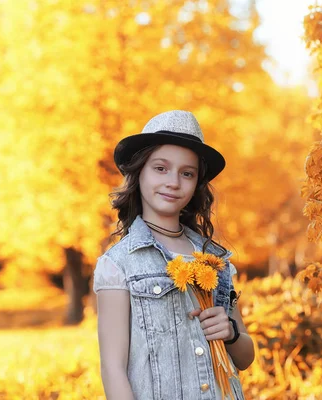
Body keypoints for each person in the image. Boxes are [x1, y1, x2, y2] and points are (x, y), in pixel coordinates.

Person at [93, 110, 254, 400]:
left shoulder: (215, 259)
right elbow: (112, 368)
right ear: (139, 172)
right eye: (161, 168)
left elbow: (245, 357)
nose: (173, 182)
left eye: (187, 173)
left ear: (196, 185)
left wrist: (229, 332)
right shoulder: (117, 264)